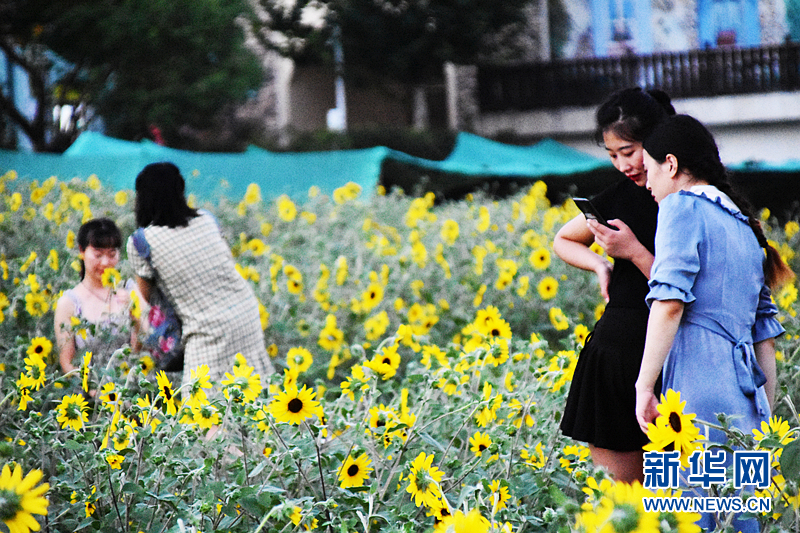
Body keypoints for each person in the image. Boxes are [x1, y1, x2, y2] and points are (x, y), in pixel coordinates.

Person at [635, 115, 793, 531]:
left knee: (680, 518)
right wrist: (764, 417)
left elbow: (669, 303)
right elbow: (767, 341)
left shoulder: (680, 207)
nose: (648, 184)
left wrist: (643, 385)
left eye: (650, 171)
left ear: (670, 164)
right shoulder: (746, 228)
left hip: (694, 392)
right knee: (741, 519)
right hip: (746, 402)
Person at [555, 87, 675, 483]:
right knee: (620, 505)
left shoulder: (685, 200)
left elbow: (682, 292)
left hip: (672, 356)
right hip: (617, 354)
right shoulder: (617, 197)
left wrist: (633, 251)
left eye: (630, 151)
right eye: (613, 156)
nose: (624, 165)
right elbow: (563, 239)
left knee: (677, 504)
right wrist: (600, 266)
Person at [126, 162, 274, 385]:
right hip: (245, 314)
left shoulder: (142, 241)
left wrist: (133, 351)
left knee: (199, 405)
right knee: (252, 393)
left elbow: (144, 300)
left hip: (208, 329)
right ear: (180, 191)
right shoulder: (206, 219)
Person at [55, 218, 137, 375]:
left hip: (129, 388)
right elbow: (67, 362)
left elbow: (141, 350)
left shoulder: (130, 290)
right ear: (82, 251)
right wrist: (94, 390)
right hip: (90, 393)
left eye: (112, 254)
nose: (105, 262)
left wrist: (136, 314)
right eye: (98, 255)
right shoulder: (69, 303)